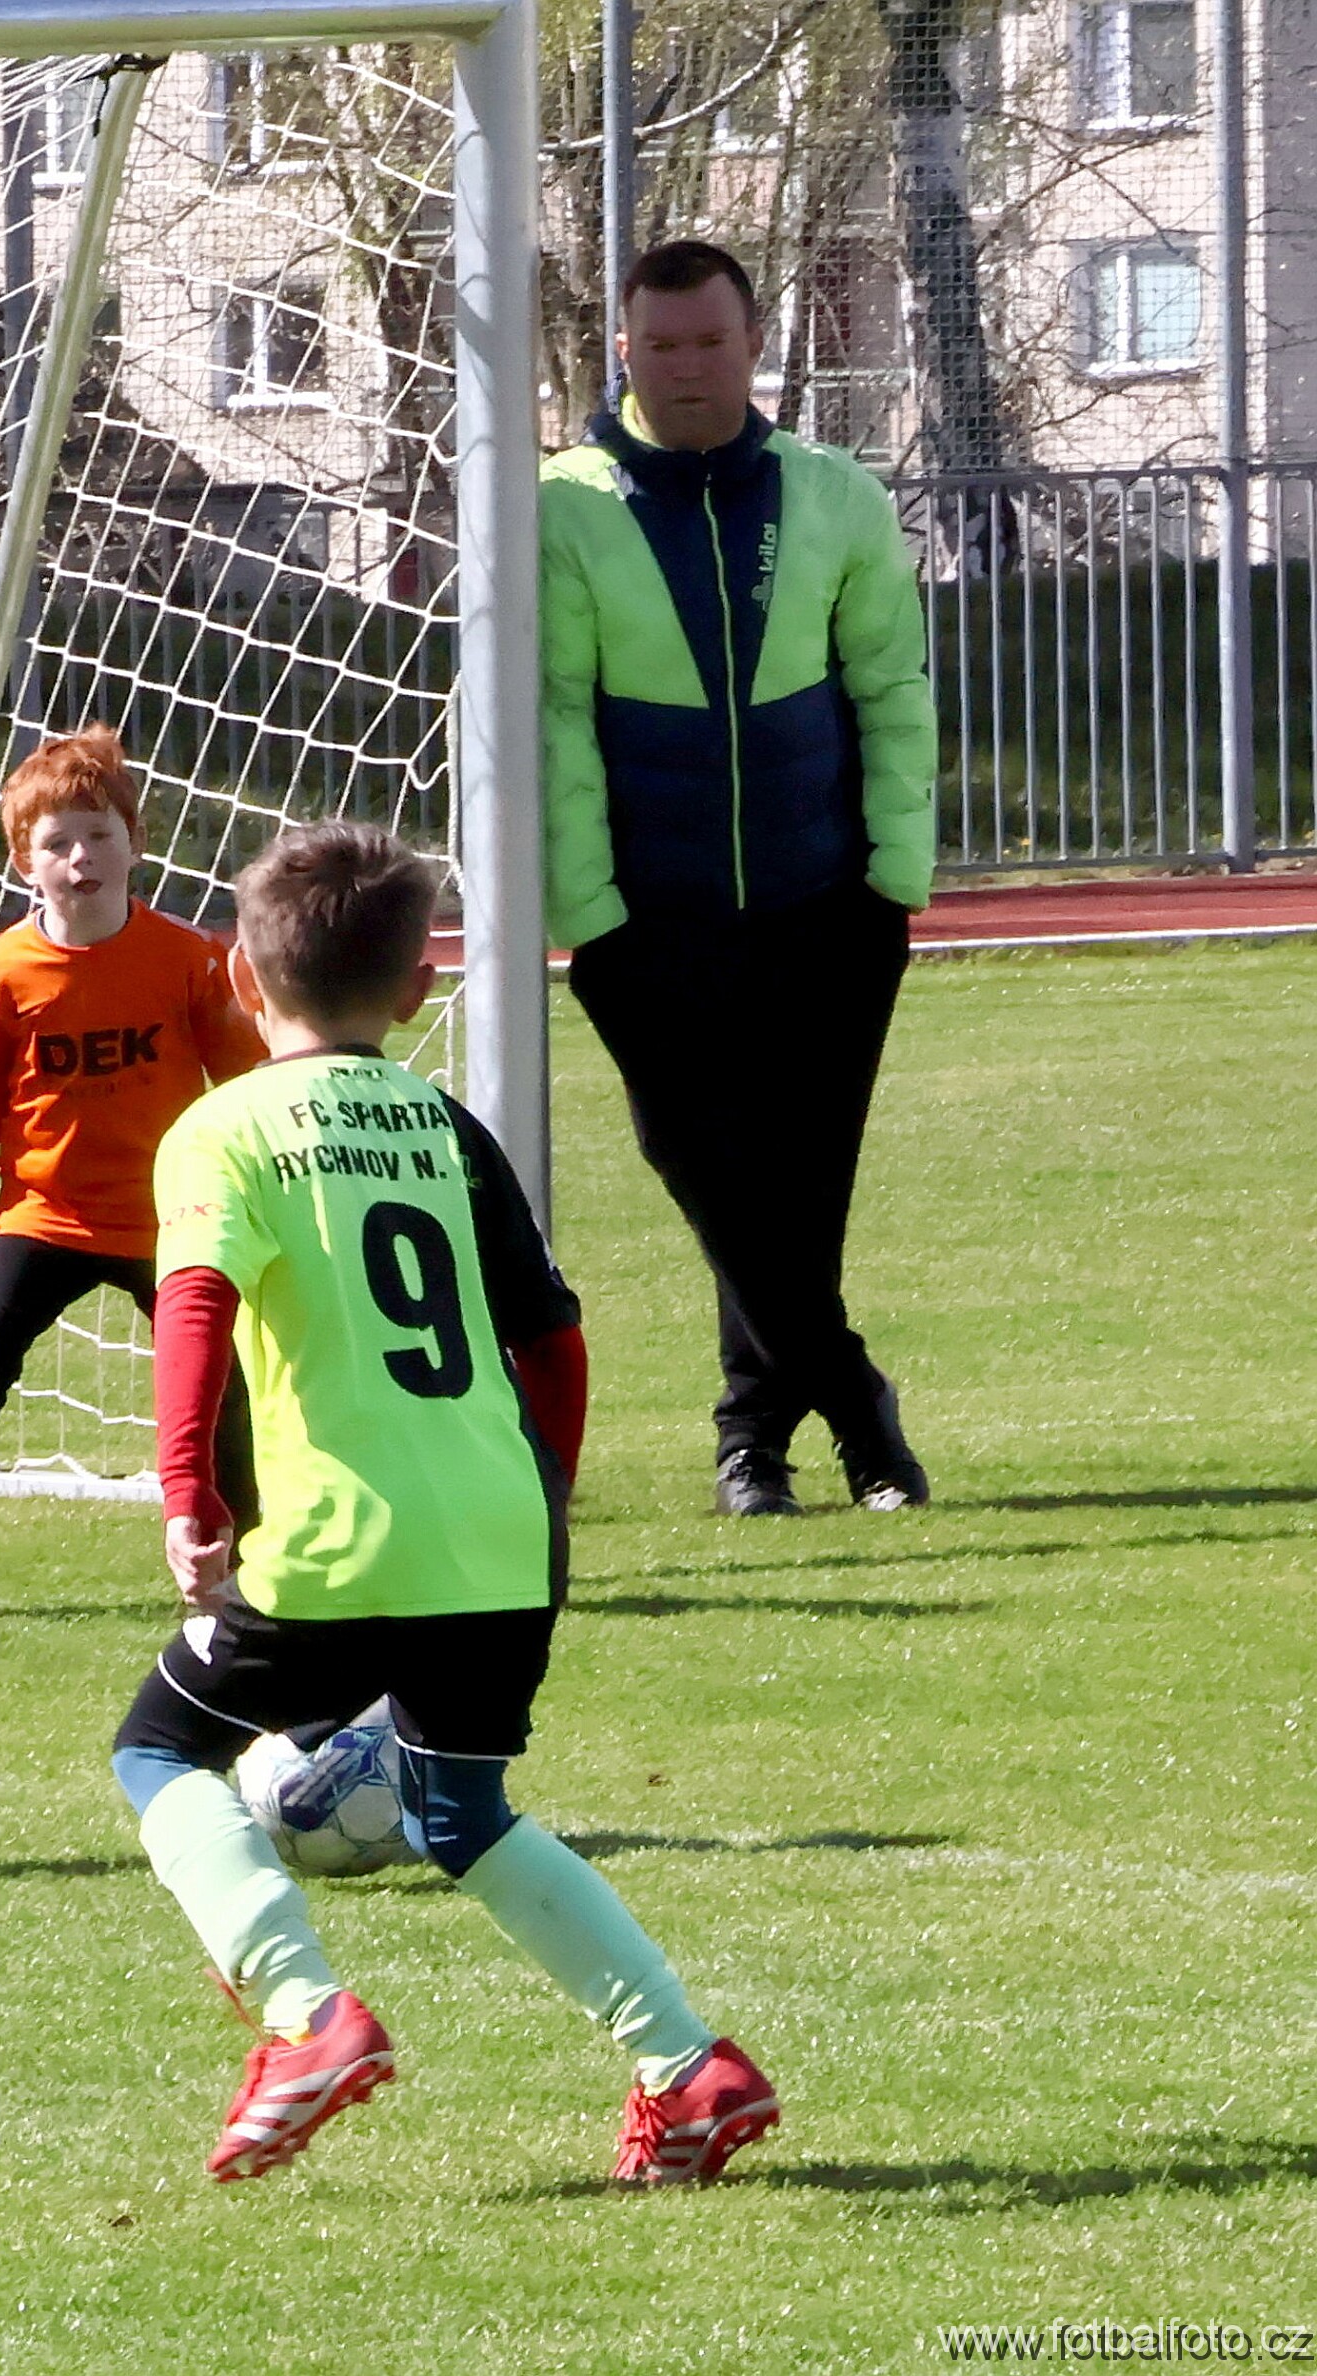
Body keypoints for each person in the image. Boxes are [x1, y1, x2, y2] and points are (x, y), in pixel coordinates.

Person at [111, 818, 776, 2185]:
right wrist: (548, 1501)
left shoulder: (222, 1128)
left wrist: (187, 1491)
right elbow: (555, 1341)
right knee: (464, 1814)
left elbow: (195, 1308)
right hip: (501, 1536)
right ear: (419, 988)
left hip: (342, 1536)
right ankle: (687, 2066)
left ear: (240, 974)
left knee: (159, 1754)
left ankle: (306, 2019)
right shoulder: (450, 1127)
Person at [540, 238, 937, 1517]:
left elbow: (891, 690)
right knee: (706, 1170)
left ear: (754, 343)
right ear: (624, 351)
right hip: (650, 926)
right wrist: (592, 917)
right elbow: (554, 719)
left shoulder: (834, 495)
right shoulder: (562, 506)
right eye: (661, 345)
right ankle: (861, 1410)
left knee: (800, 1203)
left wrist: (895, 880)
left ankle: (751, 1447)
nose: (688, 367)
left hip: (832, 911)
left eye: (711, 341)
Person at [0, 725, 265, 1610]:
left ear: (136, 843)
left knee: (220, 1386)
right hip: (45, 1218)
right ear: (25, 862)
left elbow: (248, 1087)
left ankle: (253, 1554)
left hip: (170, 1218)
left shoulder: (188, 961)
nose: (81, 857)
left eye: (99, 835)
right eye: (57, 842)